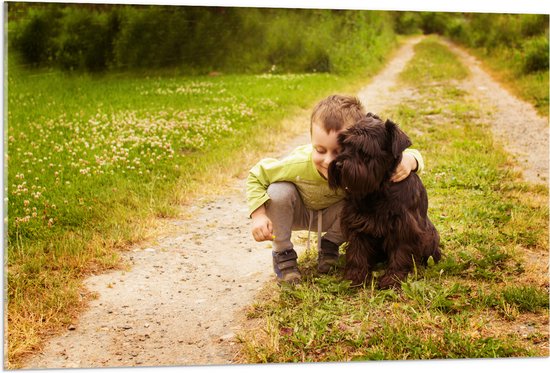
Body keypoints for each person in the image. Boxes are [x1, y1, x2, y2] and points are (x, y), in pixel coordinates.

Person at [246, 94, 423, 284]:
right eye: (320, 150)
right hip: (299, 211)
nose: (330, 161)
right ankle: (283, 254)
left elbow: (390, 151)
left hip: (332, 216)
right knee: (278, 192)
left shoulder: (358, 169)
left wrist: (409, 159)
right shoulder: (297, 163)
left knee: (357, 203)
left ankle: (329, 246)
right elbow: (256, 174)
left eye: (340, 150)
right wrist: (258, 215)